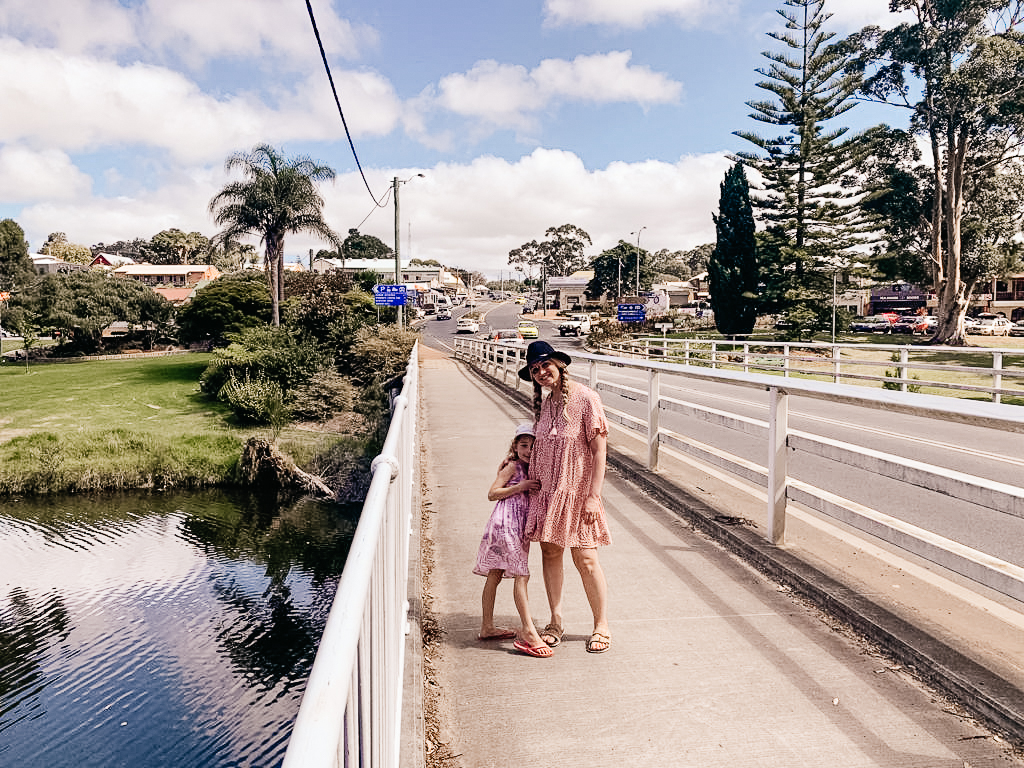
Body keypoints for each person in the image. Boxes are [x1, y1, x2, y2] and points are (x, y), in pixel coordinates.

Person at [519, 341, 612, 654]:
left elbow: (599, 451)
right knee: (550, 553)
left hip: (578, 493)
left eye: (545, 365)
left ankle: (601, 624)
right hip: (547, 493)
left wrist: (594, 497)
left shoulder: (586, 398)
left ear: (559, 364)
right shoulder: (545, 404)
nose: (541, 372)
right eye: (535, 369)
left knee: (585, 558)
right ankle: (555, 621)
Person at [473, 423, 550, 657]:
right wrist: (520, 486)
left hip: (517, 527)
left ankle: (487, 627)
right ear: (515, 446)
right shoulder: (513, 466)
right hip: (506, 524)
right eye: (524, 445)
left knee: (495, 573)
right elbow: (492, 493)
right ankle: (528, 631)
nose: (528, 450)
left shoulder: (533, 467)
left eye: (533, 447)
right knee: (522, 575)